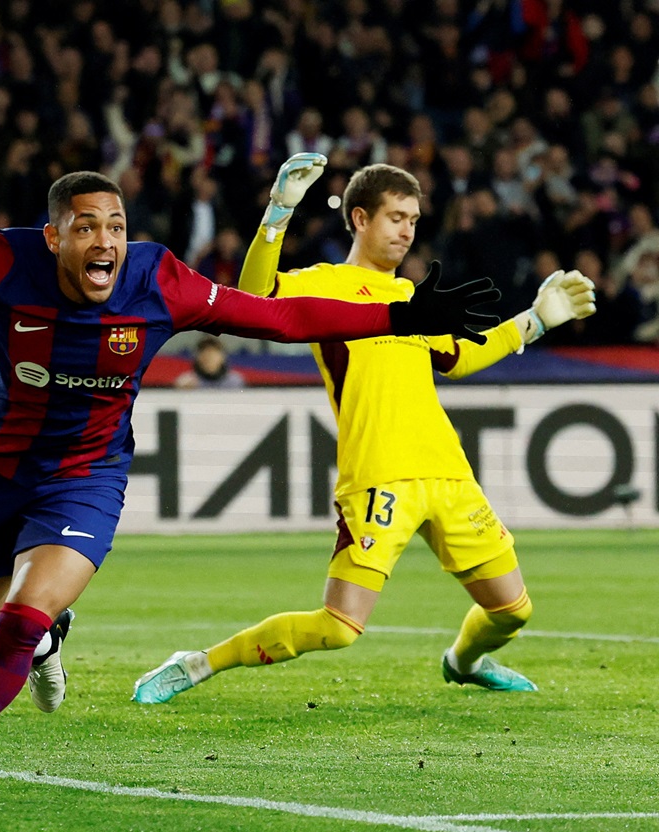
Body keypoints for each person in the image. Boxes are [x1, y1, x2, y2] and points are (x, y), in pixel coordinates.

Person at [0, 136, 503, 803]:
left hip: (87, 475)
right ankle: (44, 645)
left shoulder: (159, 280)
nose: (105, 240)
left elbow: (278, 316)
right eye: (86, 227)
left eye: (114, 225)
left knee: (19, 617)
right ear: (54, 236)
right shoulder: (5, 262)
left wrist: (399, 313)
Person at [132, 156, 596, 707]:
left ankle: (464, 662)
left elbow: (460, 358)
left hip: (448, 475)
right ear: (359, 218)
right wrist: (277, 213)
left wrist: (536, 319)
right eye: (396, 217)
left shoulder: (412, 297)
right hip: (378, 477)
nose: (407, 230)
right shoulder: (324, 284)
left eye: (414, 220)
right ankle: (197, 663)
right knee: (339, 626)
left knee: (513, 609)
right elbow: (254, 300)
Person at [173, 334, 245, 389]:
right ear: (197, 357)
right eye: (204, 352)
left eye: (213, 352)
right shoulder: (187, 381)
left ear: (222, 357)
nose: (208, 356)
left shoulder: (234, 381)